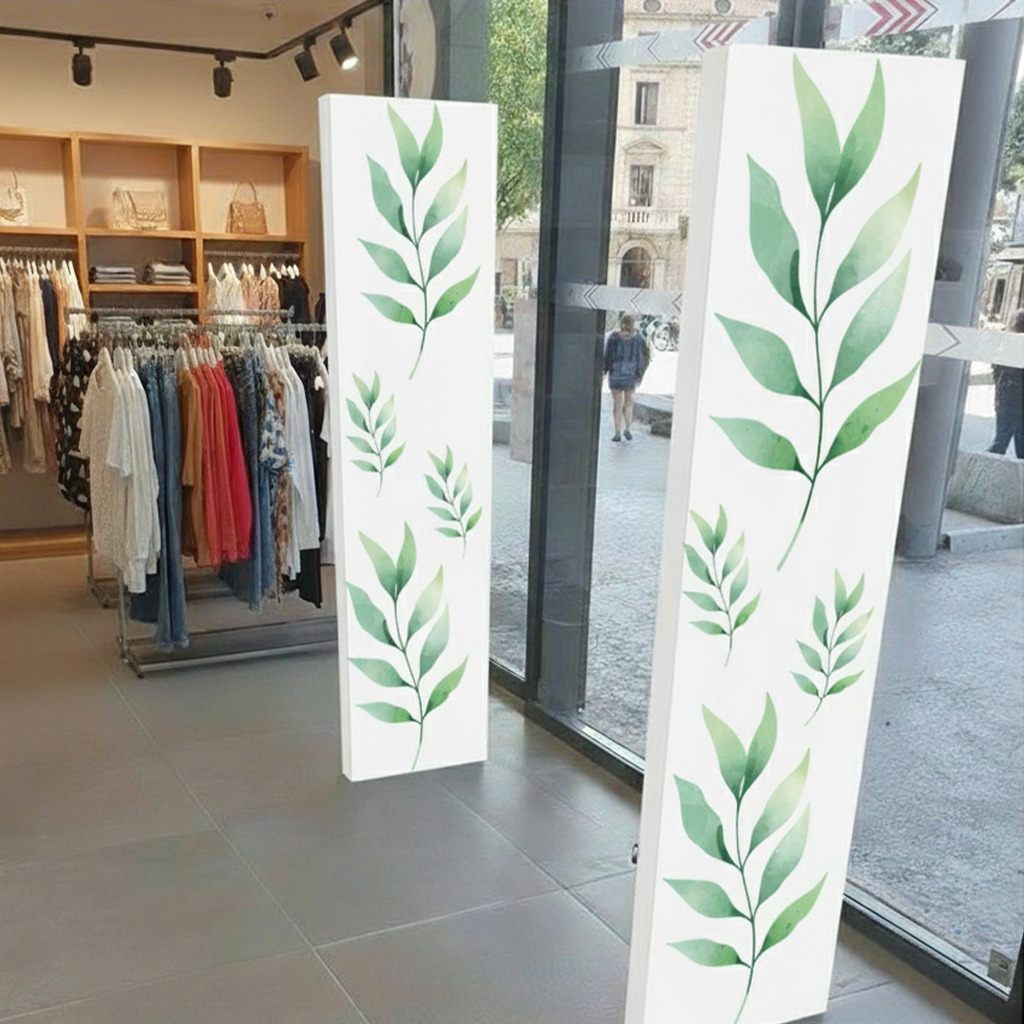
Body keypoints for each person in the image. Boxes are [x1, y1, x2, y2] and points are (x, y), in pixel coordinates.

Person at [603, 313, 650, 442]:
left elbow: (607, 356)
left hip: (616, 375)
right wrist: (640, 373)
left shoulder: (613, 337)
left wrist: (605, 371)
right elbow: (645, 357)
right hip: (631, 375)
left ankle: (617, 432)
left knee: (617, 404)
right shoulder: (639, 339)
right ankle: (628, 429)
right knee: (629, 402)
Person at [987, 309, 1024, 459]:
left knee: (1002, 442)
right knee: (1004, 443)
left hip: (1005, 402)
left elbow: (997, 373)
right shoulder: (1013, 347)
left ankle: (982, 468)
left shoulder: (1003, 345)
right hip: (1012, 402)